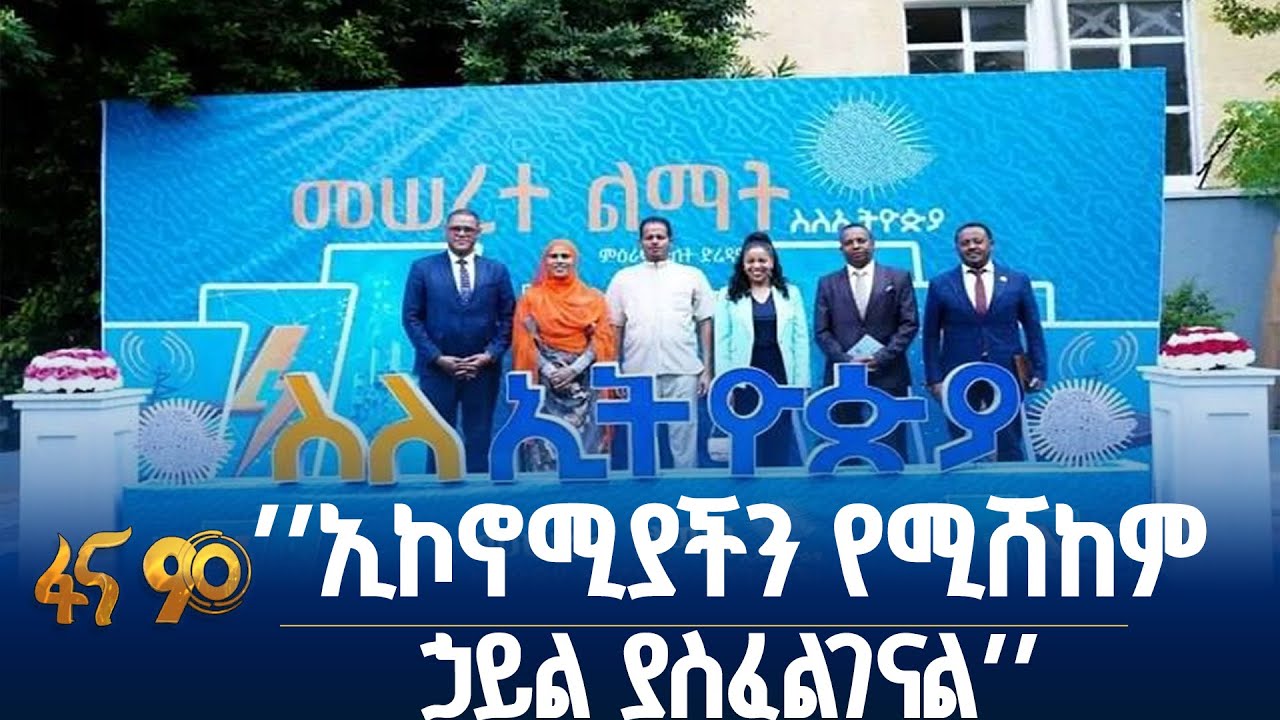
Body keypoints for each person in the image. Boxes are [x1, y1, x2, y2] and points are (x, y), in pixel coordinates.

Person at [401, 208, 515, 474]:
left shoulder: (496, 270)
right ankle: (436, 494)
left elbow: (509, 317)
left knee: (479, 437)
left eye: (468, 229)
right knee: (438, 438)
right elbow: (411, 317)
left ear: (478, 232)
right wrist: (437, 358)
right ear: (446, 231)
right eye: (456, 228)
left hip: (482, 370)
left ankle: (476, 493)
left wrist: (489, 355)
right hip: (437, 370)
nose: (462, 233)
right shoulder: (423, 268)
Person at [923, 221, 1047, 461]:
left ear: (991, 244)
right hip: (957, 374)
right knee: (961, 442)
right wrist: (934, 379)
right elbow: (930, 336)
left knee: (1009, 440)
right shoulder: (940, 284)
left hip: (1006, 372)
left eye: (977, 241)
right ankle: (963, 483)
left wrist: (1039, 370)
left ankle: (1012, 483)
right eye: (965, 243)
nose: (972, 247)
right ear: (957, 248)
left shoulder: (1017, 281)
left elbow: (1033, 329)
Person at [605, 216, 715, 469]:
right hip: (638, 372)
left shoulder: (691, 276)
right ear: (640, 242)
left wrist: (707, 370)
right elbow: (615, 327)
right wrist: (615, 369)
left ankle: (685, 485)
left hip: (684, 369)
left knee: (684, 434)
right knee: (642, 437)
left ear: (670, 241)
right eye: (649, 237)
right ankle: (645, 489)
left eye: (660, 237)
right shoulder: (623, 279)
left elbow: (705, 321)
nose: (655, 242)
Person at [814, 222, 920, 461]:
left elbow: (909, 324)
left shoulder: (898, 277)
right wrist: (846, 361)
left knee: (892, 448)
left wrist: (881, 357)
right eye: (849, 242)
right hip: (843, 375)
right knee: (844, 449)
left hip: (888, 372)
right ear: (841, 248)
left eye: (861, 240)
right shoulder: (827, 283)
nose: (856, 246)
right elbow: (822, 331)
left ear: (872, 244)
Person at [511, 238, 617, 471]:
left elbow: (602, 338)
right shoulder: (531, 298)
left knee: (587, 443)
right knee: (546, 444)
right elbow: (523, 341)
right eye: (554, 256)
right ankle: (545, 488)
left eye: (565, 256)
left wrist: (574, 369)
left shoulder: (593, 297)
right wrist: (550, 370)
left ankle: (587, 486)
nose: (559, 261)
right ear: (545, 261)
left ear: (574, 261)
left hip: (584, 382)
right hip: (545, 382)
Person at [714, 232, 810, 466]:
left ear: (772, 263)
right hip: (744, 375)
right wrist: (726, 384)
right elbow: (722, 342)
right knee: (747, 429)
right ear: (743, 265)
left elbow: (800, 340)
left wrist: (801, 382)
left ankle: (776, 480)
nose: (756, 266)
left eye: (762, 260)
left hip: (780, 373)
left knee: (780, 429)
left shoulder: (791, 293)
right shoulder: (728, 295)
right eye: (751, 261)